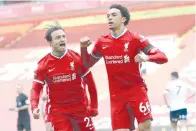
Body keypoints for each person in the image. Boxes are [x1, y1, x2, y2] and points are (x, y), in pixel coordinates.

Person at [80, 4, 168, 131]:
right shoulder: (102, 42)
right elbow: (87, 64)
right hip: (117, 96)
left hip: (136, 91)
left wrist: (147, 58)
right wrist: (83, 48)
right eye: (108, 16)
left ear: (123, 19)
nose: (109, 18)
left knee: (145, 127)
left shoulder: (136, 39)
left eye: (114, 15)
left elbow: (163, 57)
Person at [30, 23, 98, 131]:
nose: (62, 40)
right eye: (58, 38)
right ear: (50, 42)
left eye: (63, 37)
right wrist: (34, 107)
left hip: (80, 109)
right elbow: (36, 88)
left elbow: (91, 83)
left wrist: (94, 106)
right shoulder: (43, 65)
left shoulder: (76, 59)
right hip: (59, 113)